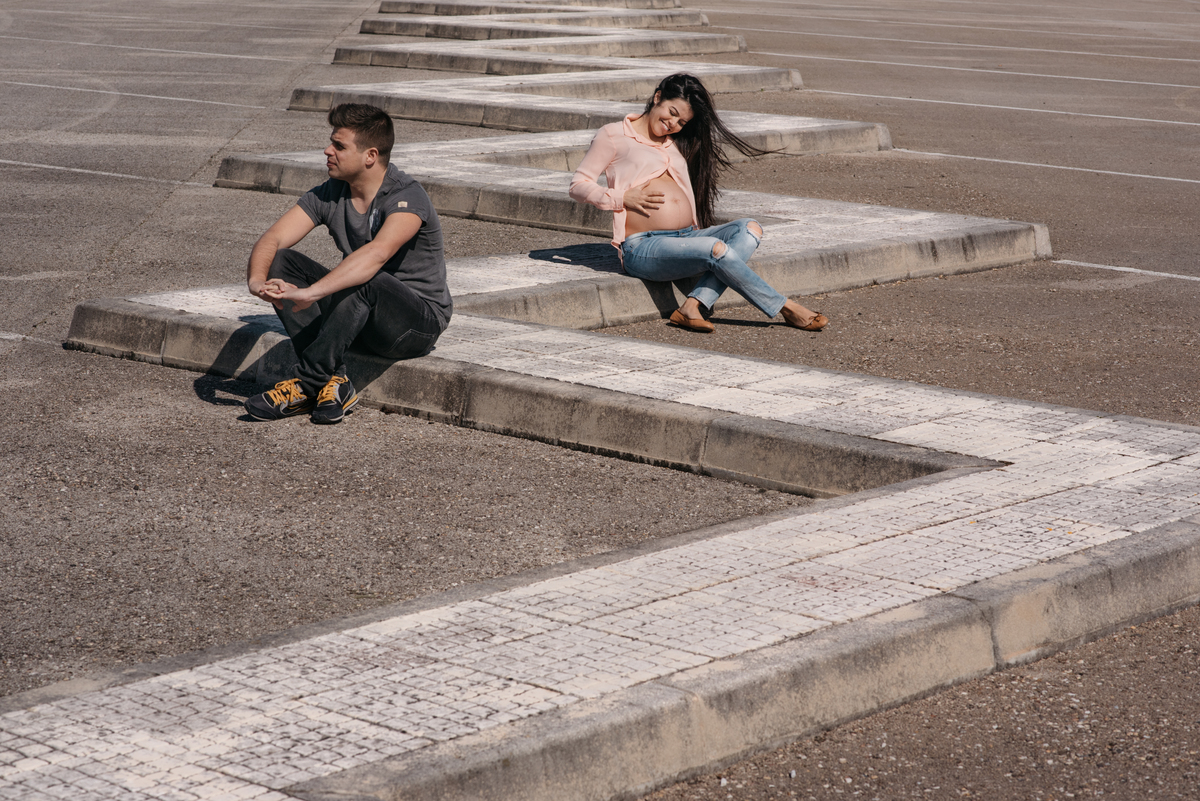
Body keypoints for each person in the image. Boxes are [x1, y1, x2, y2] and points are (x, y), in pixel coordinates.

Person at [569, 73, 828, 334]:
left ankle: (693, 306)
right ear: (657, 97)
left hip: (688, 236)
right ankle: (785, 307)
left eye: (681, 121)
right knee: (716, 249)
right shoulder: (614, 135)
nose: (673, 124)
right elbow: (578, 185)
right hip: (643, 246)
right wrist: (621, 198)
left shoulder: (676, 142)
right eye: (671, 112)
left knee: (749, 229)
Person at [244, 103, 452, 424]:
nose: (327, 150)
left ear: (370, 155)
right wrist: (258, 283)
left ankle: (308, 383)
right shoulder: (330, 193)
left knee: (366, 275)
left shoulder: (407, 196)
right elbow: (272, 240)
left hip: (415, 325)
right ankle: (335, 382)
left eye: (339, 146)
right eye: (331, 142)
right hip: (361, 316)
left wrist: (311, 293)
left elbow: (376, 255)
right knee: (282, 261)